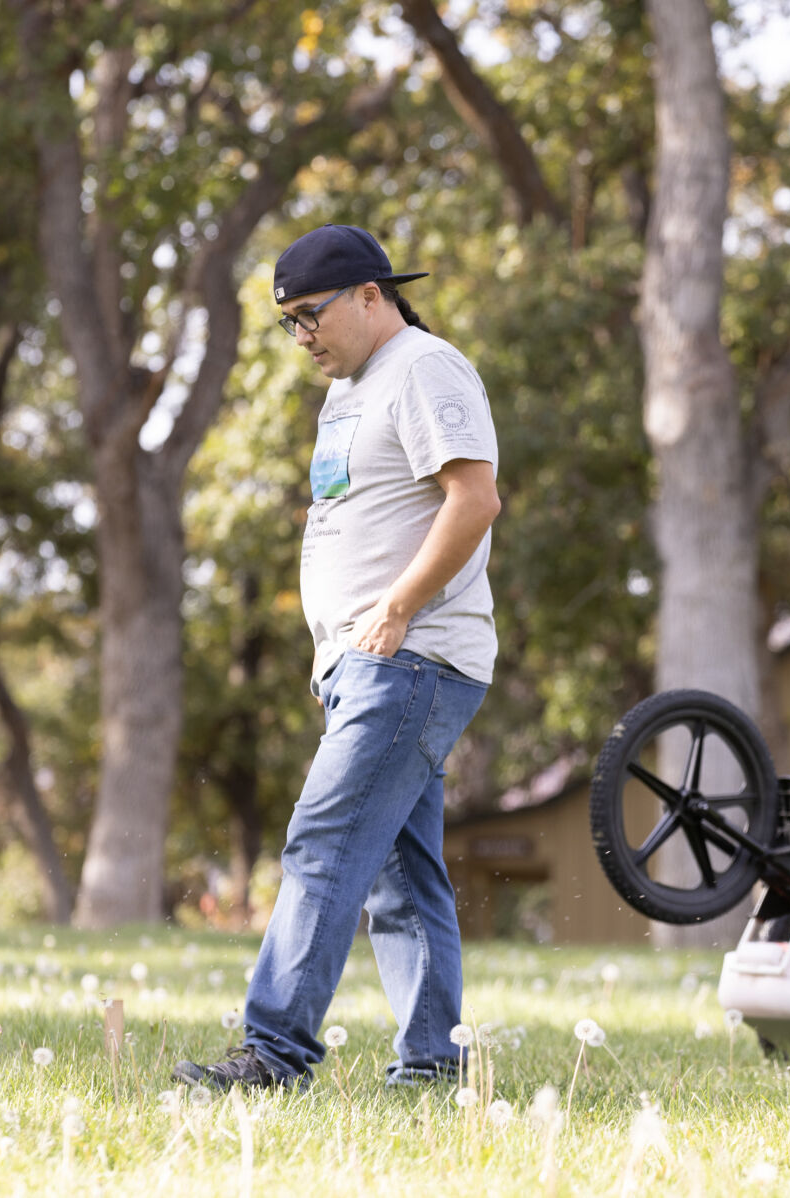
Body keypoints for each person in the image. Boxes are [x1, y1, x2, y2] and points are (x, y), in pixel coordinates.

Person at [176, 224, 501, 1089]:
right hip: (370, 665)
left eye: (310, 315)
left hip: (415, 655)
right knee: (402, 877)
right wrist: (336, 656)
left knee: (322, 844)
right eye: (288, 324)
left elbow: (473, 501)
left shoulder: (425, 366)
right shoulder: (352, 390)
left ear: (370, 293)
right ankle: (438, 1067)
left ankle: (274, 1053)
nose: (302, 337)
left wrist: (393, 612)